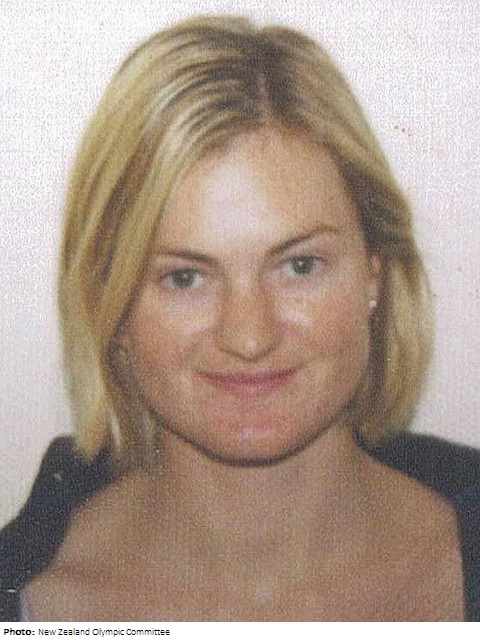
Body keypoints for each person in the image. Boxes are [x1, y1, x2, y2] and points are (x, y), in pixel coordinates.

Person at [1, 14, 479, 622]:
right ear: (110, 305)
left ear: (374, 275)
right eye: (185, 278)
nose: (249, 337)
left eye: (299, 266)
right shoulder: (30, 605)